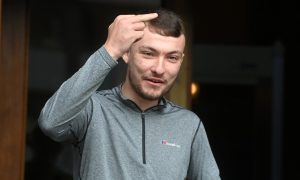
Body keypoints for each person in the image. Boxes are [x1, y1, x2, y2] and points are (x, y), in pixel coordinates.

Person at [38, 9, 221, 180]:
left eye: (172, 57)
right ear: (126, 53)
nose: (159, 69)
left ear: (181, 60)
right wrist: (109, 50)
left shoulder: (189, 124)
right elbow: (50, 123)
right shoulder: (93, 109)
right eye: (148, 54)